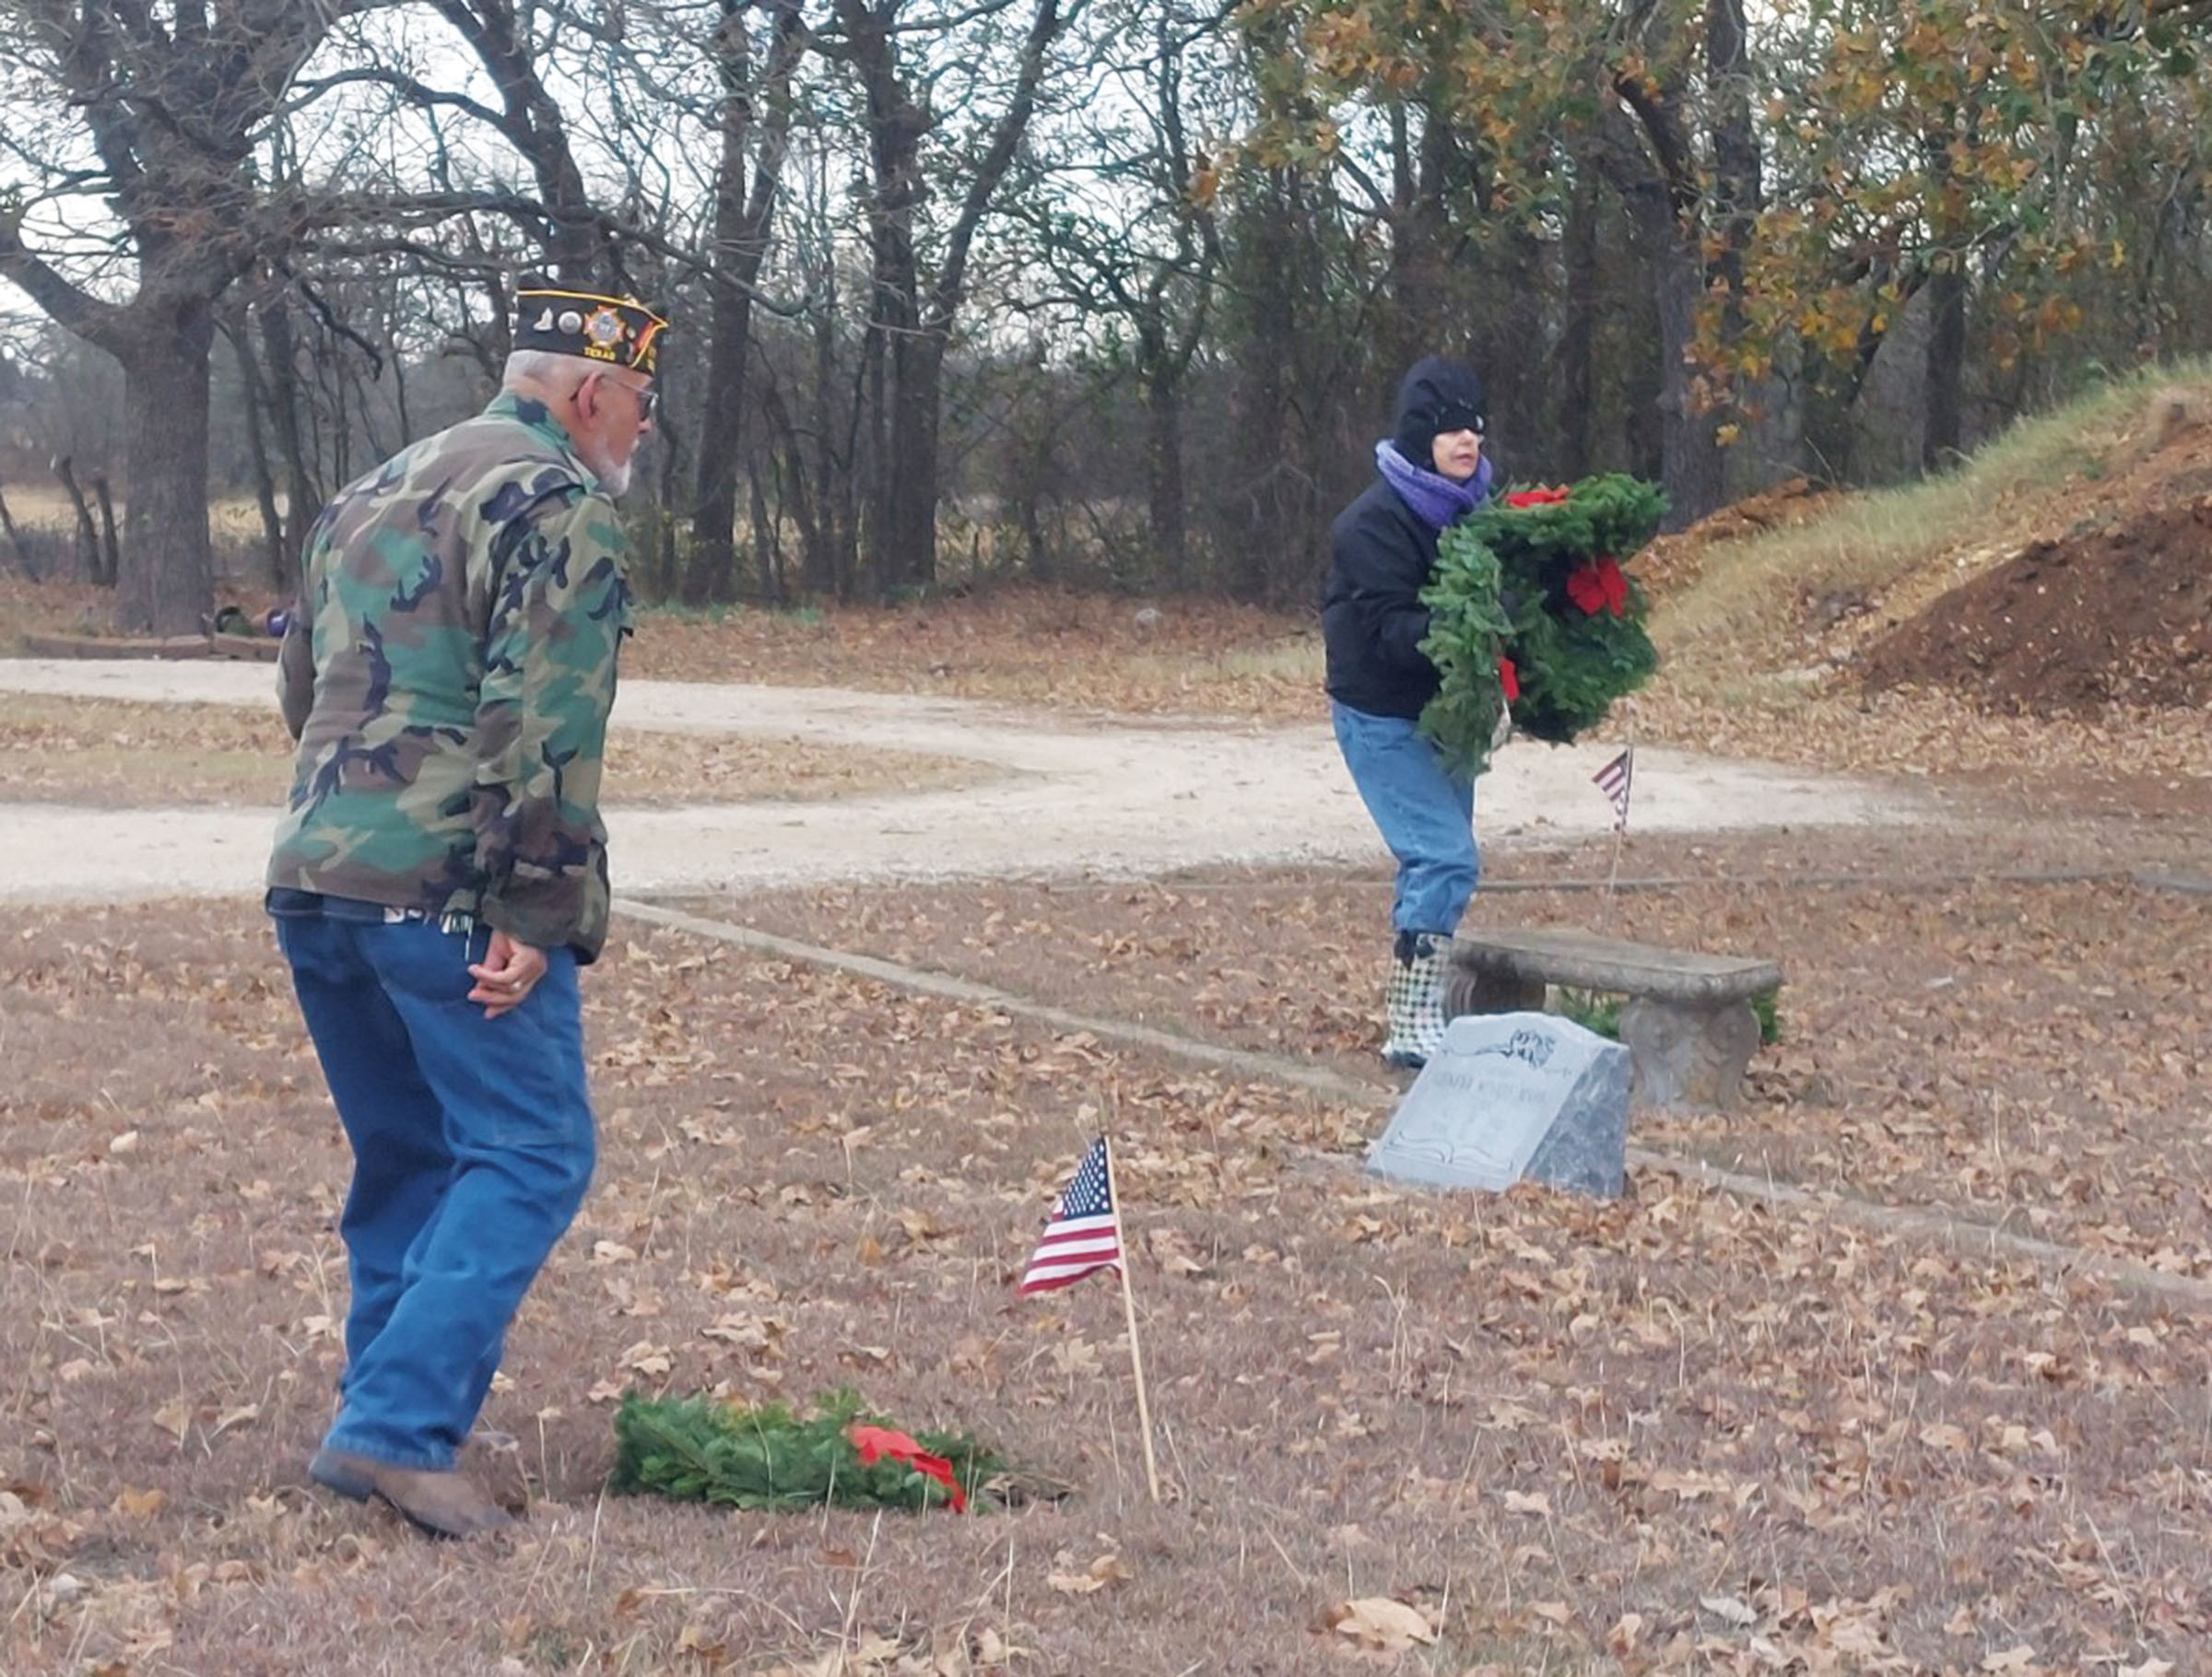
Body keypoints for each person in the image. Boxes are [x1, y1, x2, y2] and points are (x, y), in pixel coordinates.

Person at [265, 277, 665, 1537]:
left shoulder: (369, 489)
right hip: (447, 887)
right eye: (640, 404)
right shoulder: (555, 503)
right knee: (532, 1151)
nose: (642, 431)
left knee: (413, 1154)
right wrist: (534, 910)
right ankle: (396, 1430)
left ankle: (373, 1420)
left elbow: (303, 688)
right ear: (589, 393)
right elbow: (548, 724)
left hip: (318, 875)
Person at [1322, 355, 1496, 1069]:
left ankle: (1423, 1003)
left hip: (1448, 717)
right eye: (1450, 429)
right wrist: (1474, 626)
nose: (1467, 440)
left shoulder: (1481, 513)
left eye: (1475, 427)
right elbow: (1394, 633)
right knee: (1444, 855)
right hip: (1381, 715)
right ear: (1420, 436)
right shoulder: (1371, 525)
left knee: (1440, 862)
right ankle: (1413, 1022)